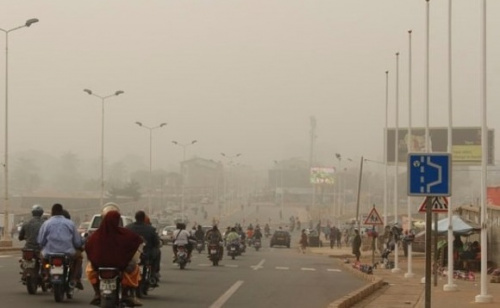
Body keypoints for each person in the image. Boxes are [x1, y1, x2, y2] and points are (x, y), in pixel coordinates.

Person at [85, 205, 144, 307]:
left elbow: (88, 247)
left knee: (89, 270)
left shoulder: (96, 235)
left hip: (99, 266)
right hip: (121, 265)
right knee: (134, 269)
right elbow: (137, 241)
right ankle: (127, 294)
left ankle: (97, 293)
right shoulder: (125, 234)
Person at [37, 203, 84, 290]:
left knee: (42, 258)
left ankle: (47, 275)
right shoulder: (70, 223)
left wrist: (43, 246)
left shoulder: (46, 224)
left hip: (49, 252)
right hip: (68, 252)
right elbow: (77, 242)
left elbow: (41, 241)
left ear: (52, 212)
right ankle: (74, 278)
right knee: (79, 258)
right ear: (61, 212)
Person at [126, 211, 161, 282]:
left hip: (131, 254)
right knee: (158, 252)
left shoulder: (128, 228)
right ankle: (154, 272)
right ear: (143, 218)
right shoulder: (151, 229)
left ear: (135, 218)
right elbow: (156, 242)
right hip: (147, 254)